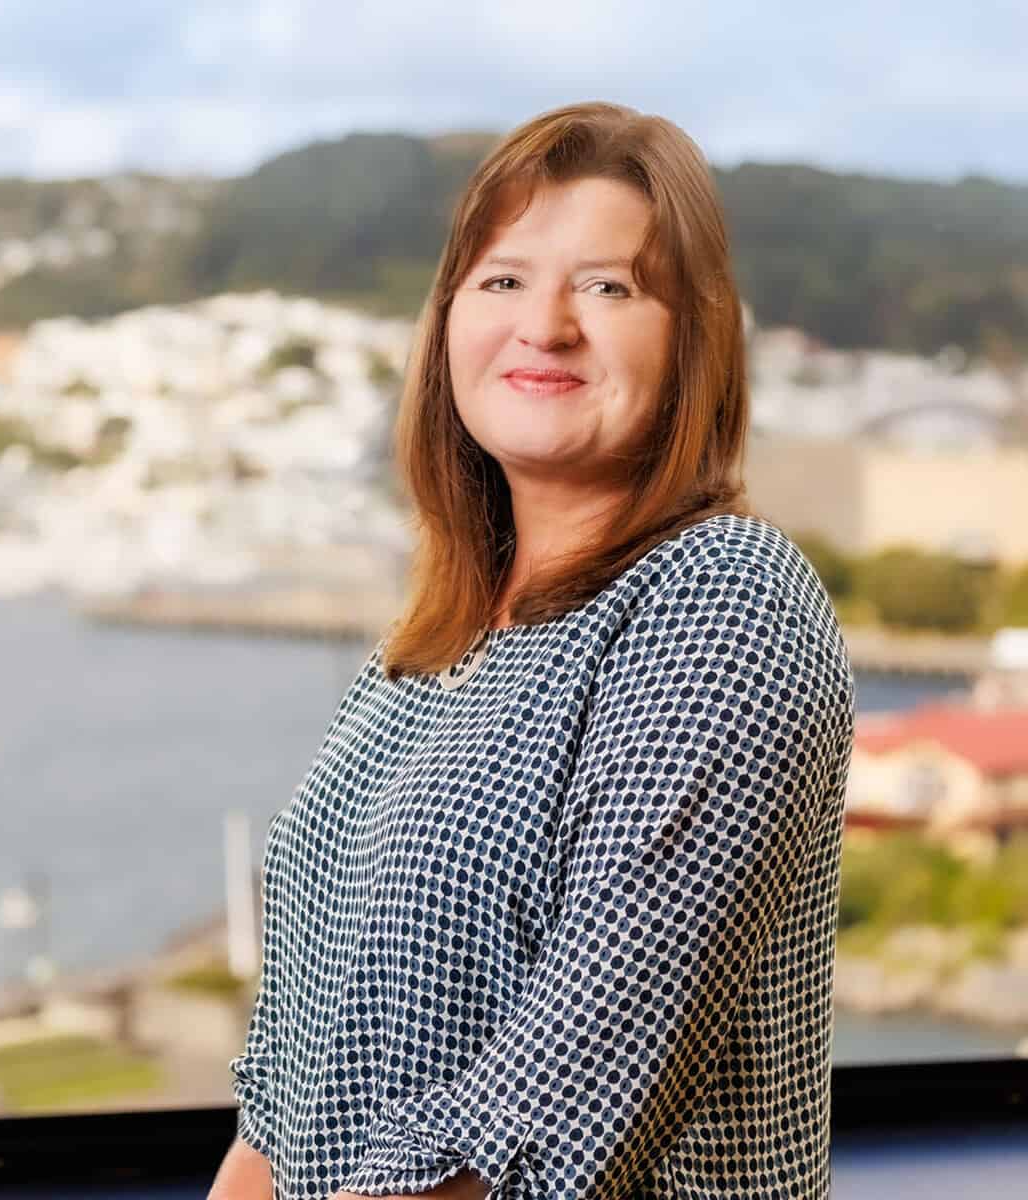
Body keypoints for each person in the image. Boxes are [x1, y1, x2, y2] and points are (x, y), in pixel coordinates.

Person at [207, 100, 856, 1200]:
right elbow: (286, 1096)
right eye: (502, 279)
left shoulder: (724, 602)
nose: (545, 325)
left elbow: (553, 1110)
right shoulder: (430, 643)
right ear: (448, 320)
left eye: (608, 286)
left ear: (691, 337)